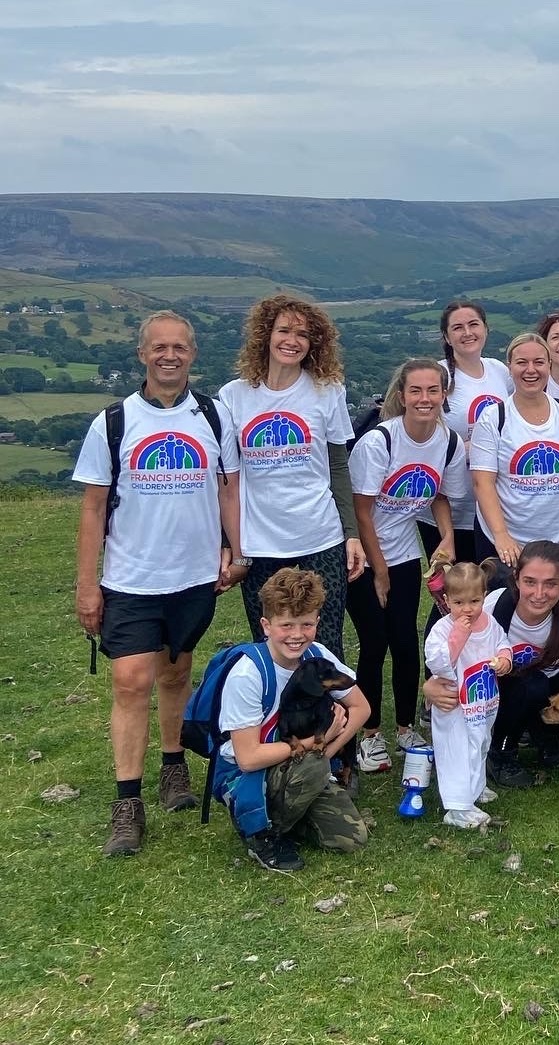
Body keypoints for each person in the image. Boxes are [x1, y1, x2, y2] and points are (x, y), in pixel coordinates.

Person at [74, 310, 243, 856]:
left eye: (179, 347)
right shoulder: (114, 422)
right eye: (158, 347)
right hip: (131, 576)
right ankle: (127, 803)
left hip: (193, 576)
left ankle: (173, 764)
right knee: (130, 682)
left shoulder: (213, 418)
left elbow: (228, 493)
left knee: (176, 674)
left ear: (193, 354)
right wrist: (86, 585)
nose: (169, 355)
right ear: (142, 354)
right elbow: (93, 508)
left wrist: (236, 553)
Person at [423, 541, 559, 789]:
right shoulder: (490, 606)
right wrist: (430, 686)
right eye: (530, 582)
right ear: (516, 578)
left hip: (548, 684)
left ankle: (544, 737)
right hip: (503, 690)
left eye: (551, 584)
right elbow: (444, 647)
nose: (539, 593)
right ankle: (500, 752)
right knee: (532, 684)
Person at [219, 295, 363, 657]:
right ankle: (275, 713)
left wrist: (351, 534)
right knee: (270, 645)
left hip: (320, 535)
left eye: (302, 334)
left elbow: (338, 467)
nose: (292, 340)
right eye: (284, 330)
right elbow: (227, 481)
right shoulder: (233, 397)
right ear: (266, 335)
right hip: (260, 540)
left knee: (325, 643)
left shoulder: (327, 392)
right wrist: (228, 544)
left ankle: (331, 715)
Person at [348, 358, 468, 774]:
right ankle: (369, 734)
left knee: (405, 640)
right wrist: (378, 572)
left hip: (403, 554)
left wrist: (447, 535)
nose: (425, 399)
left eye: (433, 391)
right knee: (374, 641)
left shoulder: (447, 441)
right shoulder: (379, 442)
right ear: (402, 396)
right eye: (416, 391)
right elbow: (362, 512)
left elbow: (437, 495)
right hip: (363, 557)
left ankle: (403, 728)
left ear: (444, 395)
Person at [213, 568, 369, 871]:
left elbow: (361, 707)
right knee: (310, 766)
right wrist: (314, 746)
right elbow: (247, 757)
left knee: (351, 837)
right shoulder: (249, 673)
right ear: (266, 625)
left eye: (306, 624)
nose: (297, 635)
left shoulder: (317, 655)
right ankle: (259, 830)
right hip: (249, 774)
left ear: (317, 623)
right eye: (286, 625)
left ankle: (290, 815)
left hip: (301, 762)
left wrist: (328, 749)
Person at [470, 333, 559, 618]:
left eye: (538, 362)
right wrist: (501, 536)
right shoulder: (494, 418)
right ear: (509, 367)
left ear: (549, 366)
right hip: (516, 548)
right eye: (522, 362)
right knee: (516, 632)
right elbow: (483, 482)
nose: (530, 370)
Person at [418, 300, 513, 570]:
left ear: (486, 328)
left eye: (473, 324)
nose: (467, 333)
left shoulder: (499, 371)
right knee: (455, 593)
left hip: (492, 505)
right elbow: (422, 439)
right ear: (447, 337)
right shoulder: (437, 376)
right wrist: (471, 447)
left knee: (491, 588)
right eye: (457, 328)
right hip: (450, 507)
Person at [423, 560, 514, 828]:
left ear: (483, 597)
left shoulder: (490, 623)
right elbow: (438, 663)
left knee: (480, 744)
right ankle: (458, 807)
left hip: (482, 701)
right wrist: (458, 635)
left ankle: (475, 788)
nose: (467, 609)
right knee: (457, 751)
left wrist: (504, 659)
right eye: (459, 602)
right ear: (447, 600)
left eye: (474, 601)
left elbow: (502, 643)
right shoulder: (442, 630)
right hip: (454, 705)